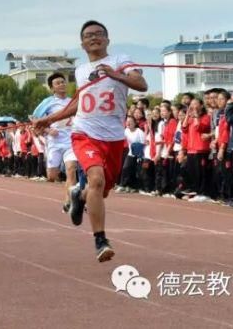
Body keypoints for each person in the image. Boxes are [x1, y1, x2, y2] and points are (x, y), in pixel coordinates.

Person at [32, 20, 147, 263]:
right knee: (96, 179)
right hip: (85, 133)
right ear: (82, 43)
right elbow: (77, 104)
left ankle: (78, 196)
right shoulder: (81, 70)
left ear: (107, 39)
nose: (93, 38)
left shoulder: (121, 60)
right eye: (88, 35)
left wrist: (115, 75)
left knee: (100, 192)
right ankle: (100, 240)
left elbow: (141, 84)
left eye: (98, 34)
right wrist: (49, 119)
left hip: (114, 137)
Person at [31, 73, 77, 211]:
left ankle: (69, 201)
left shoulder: (73, 102)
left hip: (71, 142)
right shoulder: (47, 102)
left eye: (63, 82)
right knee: (52, 176)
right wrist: (47, 130)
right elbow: (34, 120)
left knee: (71, 170)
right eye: (58, 83)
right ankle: (70, 192)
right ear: (52, 88)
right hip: (54, 143)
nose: (62, 84)